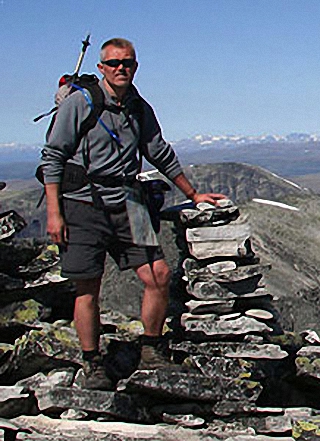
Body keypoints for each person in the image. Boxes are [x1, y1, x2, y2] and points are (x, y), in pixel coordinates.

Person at [41, 38, 225, 390]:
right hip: (83, 203)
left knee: (158, 274)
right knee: (87, 287)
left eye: (127, 63)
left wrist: (193, 193)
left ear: (136, 66)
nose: (121, 68)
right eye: (113, 63)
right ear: (101, 68)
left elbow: (159, 152)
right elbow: (53, 157)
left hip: (130, 199)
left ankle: (151, 350)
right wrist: (54, 212)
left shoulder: (139, 107)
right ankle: (92, 362)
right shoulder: (80, 103)